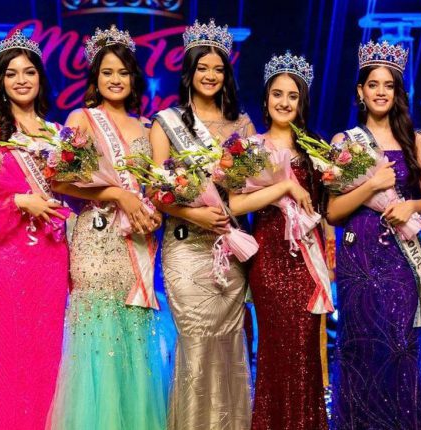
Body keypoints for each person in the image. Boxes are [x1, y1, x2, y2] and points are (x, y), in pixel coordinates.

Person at [47, 26, 167, 429]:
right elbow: (59, 181)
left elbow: (155, 188)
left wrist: (153, 210)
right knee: (96, 331)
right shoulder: (81, 119)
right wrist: (117, 194)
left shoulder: (146, 127)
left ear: (134, 78)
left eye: (123, 72)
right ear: (95, 78)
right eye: (107, 72)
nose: (116, 79)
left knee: (133, 330)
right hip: (95, 239)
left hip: (135, 240)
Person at [0, 30, 69, 430]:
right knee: (13, 348)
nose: (21, 80)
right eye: (11, 73)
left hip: (52, 253)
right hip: (8, 253)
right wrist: (20, 201)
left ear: (40, 78)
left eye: (29, 72)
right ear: (0, 82)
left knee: (49, 346)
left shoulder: (57, 134)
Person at [150, 19, 256, 430]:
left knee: (229, 346)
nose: (210, 75)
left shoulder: (242, 125)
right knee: (195, 342)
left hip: (228, 249)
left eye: (218, 69)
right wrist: (195, 213)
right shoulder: (166, 123)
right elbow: (156, 191)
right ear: (190, 72)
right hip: (185, 247)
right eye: (202, 68)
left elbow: (250, 186)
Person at [327, 41, 421, 429]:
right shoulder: (344, 142)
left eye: (389, 85)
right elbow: (333, 212)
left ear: (398, 91)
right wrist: (371, 186)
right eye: (373, 84)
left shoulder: (415, 141)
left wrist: (410, 205)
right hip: (359, 256)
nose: (381, 92)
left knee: (400, 347)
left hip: (401, 257)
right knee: (361, 348)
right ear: (361, 91)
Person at [228, 51, 330, 430]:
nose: (284, 102)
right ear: (266, 98)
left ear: (302, 102)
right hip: (269, 259)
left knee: (305, 353)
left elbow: (326, 209)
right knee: (273, 352)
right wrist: (285, 186)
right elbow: (236, 203)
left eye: (293, 95)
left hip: (306, 261)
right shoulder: (250, 147)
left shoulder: (316, 148)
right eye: (277, 94)